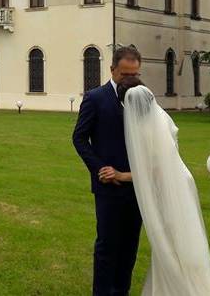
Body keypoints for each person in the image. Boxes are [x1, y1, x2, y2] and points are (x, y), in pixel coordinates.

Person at [113, 77, 210, 296]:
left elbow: (153, 170)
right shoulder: (161, 118)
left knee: (170, 241)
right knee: (183, 237)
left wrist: (120, 175)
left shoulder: (142, 130)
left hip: (167, 188)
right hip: (182, 180)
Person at [72, 45, 143, 296]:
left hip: (137, 186)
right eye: (125, 75)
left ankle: (121, 291)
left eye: (134, 74)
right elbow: (79, 138)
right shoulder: (95, 98)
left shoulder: (143, 97)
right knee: (107, 247)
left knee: (130, 247)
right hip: (107, 187)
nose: (130, 80)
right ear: (112, 70)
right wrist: (100, 169)